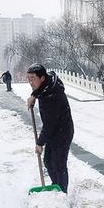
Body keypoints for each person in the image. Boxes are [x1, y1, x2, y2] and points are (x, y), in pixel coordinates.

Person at [26, 64, 74, 193]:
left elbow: (49, 125)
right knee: (48, 161)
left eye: (32, 78)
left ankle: (62, 192)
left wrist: (40, 143)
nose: (30, 82)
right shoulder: (48, 84)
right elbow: (42, 88)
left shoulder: (51, 96)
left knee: (59, 165)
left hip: (62, 132)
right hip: (54, 131)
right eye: (28, 78)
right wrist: (34, 95)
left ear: (42, 78)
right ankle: (55, 186)